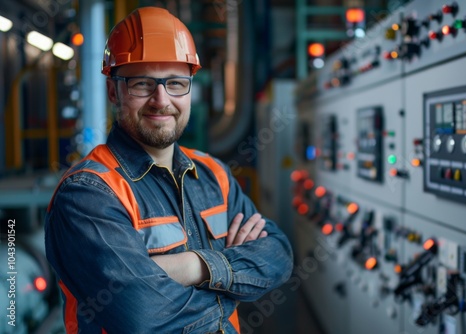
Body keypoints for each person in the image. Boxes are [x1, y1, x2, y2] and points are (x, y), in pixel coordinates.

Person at [44, 6, 293, 334]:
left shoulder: (213, 174)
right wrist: (232, 286)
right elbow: (143, 316)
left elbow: (279, 256)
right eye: (143, 84)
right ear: (113, 91)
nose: (161, 100)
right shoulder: (88, 194)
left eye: (176, 83)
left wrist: (195, 266)